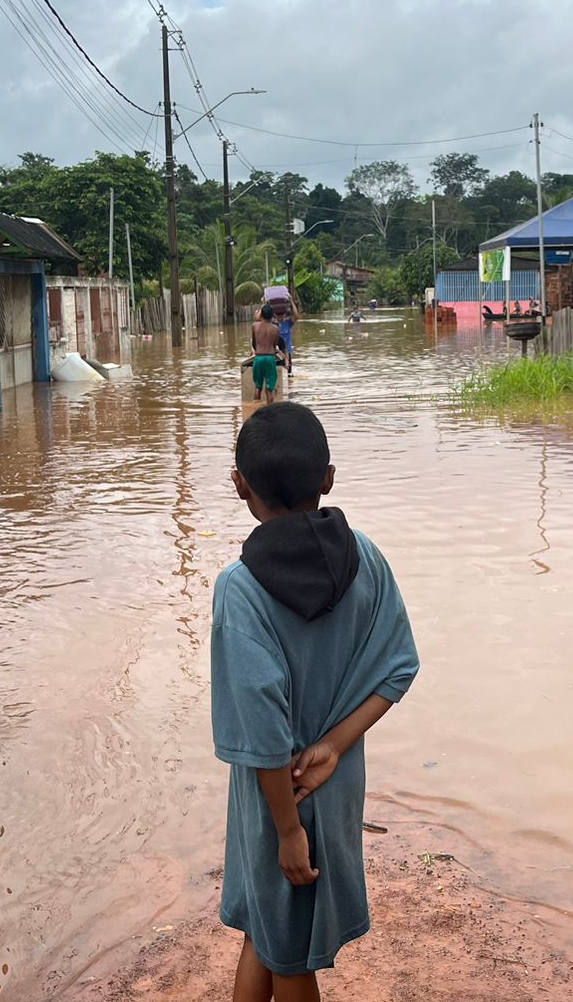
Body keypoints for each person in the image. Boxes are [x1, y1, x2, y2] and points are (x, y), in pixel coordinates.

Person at [212, 402, 420, 1002]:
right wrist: (335, 744)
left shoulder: (241, 590)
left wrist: (285, 831)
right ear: (328, 478)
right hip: (333, 784)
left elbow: (261, 732)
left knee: (289, 955)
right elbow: (398, 666)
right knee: (267, 926)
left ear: (239, 485)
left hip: (276, 796)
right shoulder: (367, 559)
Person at [251, 305, 284, 403]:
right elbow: (275, 344)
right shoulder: (276, 329)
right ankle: (270, 412)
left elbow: (254, 343)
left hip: (258, 357)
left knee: (258, 387)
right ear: (272, 315)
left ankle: (255, 409)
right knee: (269, 389)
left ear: (261, 314)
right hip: (270, 358)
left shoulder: (254, 326)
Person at [278, 297, 300, 378]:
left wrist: (291, 300)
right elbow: (258, 318)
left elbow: (297, 316)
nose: (279, 316)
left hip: (287, 351)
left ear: (284, 314)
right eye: (278, 314)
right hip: (276, 353)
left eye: (281, 314)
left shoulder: (288, 323)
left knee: (289, 375)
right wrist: (264, 303)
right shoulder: (272, 324)